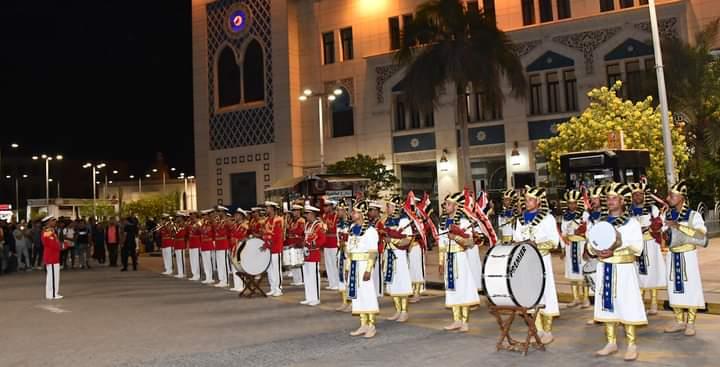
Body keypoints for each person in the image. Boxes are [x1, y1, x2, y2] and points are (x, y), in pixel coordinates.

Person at [590, 182, 646, 361]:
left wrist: (616, 248)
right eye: (608, 198)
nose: (610, 201)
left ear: (623, 201)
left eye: (614, 198)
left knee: (627, 303)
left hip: (624, 270)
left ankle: (631, 345)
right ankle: (611, 342)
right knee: (608, 304)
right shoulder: (601, 222)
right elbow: (591, 245)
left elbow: (638, 247)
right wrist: (596, 250)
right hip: (605, 267)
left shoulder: (632, 223)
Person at [512, 186, 560, 344]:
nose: (527, 202)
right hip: (526, 261)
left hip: (542, 260)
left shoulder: (548, 218)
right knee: (532, 295)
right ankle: (537, 330)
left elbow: (554, 242)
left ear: (539, 201)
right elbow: (516, 238)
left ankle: (548, 331)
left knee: (545, 293)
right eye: (526, 200)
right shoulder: (521, 219)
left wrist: (536, 244)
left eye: (531, 200)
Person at [663, 180, 707, 337]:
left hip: (688, 256)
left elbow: (701, 234)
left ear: (682, 197)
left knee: (691, 287)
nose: (669, 198)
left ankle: (691, 323)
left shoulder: (693, 215)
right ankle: (679, 321)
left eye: (672, 195)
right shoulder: (667, 214)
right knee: (674, 288)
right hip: (672, 254)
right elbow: (664, 236)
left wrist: (679, 226)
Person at [438, 192, 480, 333]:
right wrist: (441, 262)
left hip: (460, 257)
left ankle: (465, 321)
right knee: (452, 289)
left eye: (448, 204)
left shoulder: (464, 222)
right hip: (448, 258)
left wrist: (456, 237)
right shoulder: (443, 222)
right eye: (445, 204)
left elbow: (470, 242)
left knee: (463, 287)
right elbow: (441, 244)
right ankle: (456, 320)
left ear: (456, 206)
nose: (446, 206)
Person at [628, 182, 666, 316]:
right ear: (632, 196)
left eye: (640, 194)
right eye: (635, 194)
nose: (638, 197)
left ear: (644, 195)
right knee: (637, 274)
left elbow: (660, 223)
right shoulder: (628, 210)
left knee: (652, 272)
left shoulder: (652, 208)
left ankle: (654, 303)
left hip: (650, 245)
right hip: (635, 246)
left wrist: (652, 227)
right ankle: (640, 303)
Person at [347, 200, 380, 338]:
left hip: (364, 265)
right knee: (357, 294)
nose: (352, 214)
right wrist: (348, 266)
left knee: (367, 293)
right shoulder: (352, 229)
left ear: (361, 214)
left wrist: (368, 269)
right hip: (354, 265)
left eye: (354, 212)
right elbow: (349, 250)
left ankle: (371, 325)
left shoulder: (370, 231)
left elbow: (373, 252)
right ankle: (363, 324)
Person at [383, 196, 413, 323]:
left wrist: (393, 240)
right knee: (392, 283)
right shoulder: (387, 220)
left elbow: (408, 239)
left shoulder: (404, 220)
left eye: (389, 206)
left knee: (402, 281)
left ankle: (404, 311)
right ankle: (397, 310)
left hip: (399, 255)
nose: (387, 208)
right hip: (389, 252)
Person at [561, 189, 590, 308]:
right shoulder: (565, 216)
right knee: (572, 272)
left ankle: (586, 298)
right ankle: (575, 297)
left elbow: (588, 229)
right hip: (569, 245)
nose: (571, 205)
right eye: (569, 203)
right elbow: (563, 232)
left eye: (574, 203)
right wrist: (562, 248)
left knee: (583, 272)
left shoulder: (585, 214)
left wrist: (587, 248)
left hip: (581, 245)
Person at [301, 205, 325, 306]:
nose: (306, 216)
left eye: (307, 214)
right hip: (306, 254)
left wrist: (311, 244)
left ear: (312, 214)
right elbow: (305, 237)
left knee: (314, 276)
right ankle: (309, 297)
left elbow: (323, 240)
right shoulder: (307, 225)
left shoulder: (319, 225)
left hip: (314, 253)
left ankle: (316, 298)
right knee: (307, 276)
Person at [262, 201, 285, 297]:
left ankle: (278, 288)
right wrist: (266, 240)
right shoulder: (267, 220)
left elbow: (277, 235)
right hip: (269, 248)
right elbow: (265, 233)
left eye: (268, 208)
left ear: (272, 209)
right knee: (270, 270)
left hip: (276, 247)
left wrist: (268, 240)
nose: (266, 209)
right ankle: (272, 287)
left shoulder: (278, 220)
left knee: (276, 269)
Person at [41, 215, 62, 300]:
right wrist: (62, 246)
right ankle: (53, 294)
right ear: (48, 222)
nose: (54, 222)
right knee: (53, 276)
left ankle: (51, 294)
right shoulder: (47, 231)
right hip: (51, 256)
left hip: (52, 255)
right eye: (53, 220)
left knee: (52, 276)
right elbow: (50, 243)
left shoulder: (50, 230)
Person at [335, 201, 351, 312]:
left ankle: (351, 302)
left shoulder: (351, 223)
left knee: (349, 277)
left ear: (345, 210)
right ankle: (344, 301)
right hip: (340, 252)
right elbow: (338, 239)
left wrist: (345, 244)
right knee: (341, 278)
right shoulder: (338, 224)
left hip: (348, 253)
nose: (337, 212)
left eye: (339, 210)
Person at [368, 201, 385, 298]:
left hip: (378, 248)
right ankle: (373, 289)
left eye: (371, 210)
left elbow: (382, 234)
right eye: (369, 210)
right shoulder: (370, 221)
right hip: (371, 249)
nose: (369, 212)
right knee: (372, 270)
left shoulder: (380, 222)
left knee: (377, 271)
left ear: (376, 211)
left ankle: (379, 291)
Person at [321, 200, 340, 290]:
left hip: (334, 243)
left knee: (334, 264)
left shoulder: (337, 216)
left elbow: (334, 229)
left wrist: (326, 229)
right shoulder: (324, 216)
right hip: (326, 243)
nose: (325, 208)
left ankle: (337, 283)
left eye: (327, 206)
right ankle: (331, 283)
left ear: (332, 206)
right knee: (328, 264)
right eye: (324, 206)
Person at [286, 204, 306, 286]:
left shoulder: (301, 220)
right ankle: (296, 279)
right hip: (292, 242)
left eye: (295, 211)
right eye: (293, 211)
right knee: (293, 262)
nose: (293, 213)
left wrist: (291, 231)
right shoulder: (293, 221)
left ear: (299, 211)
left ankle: (300, 279)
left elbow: (300, 232)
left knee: (299, 262)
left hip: (298, 243)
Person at [229, 209, 249, 292]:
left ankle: (242, 285)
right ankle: (237, 285)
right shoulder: (236, 225)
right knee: (234, 266)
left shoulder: (244, 225)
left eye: (236, 215)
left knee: (239, 266)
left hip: (240, 247)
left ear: (241, 216)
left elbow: (242, 236)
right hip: (234, 246)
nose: (235, 217)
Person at [212, 208, 231, 287]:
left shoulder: (227, 221)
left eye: (219, 211)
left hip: (224, 244)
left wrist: (226, 221)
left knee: (224, 263)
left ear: (223, 212)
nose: (218, 213)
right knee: (219, 263)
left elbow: (228, 231)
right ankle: (221, 279)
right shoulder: (218, 222)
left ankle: (226, 280)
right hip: (218, 244)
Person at [199, 210, 216, 284]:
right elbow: (200, 231)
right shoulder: (203, 224)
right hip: (203, 243)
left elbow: (206, 231)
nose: (203, 217)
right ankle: (207, 276)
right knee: (205, 261)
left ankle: (210, 277)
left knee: (209, 261)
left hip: (209, 243)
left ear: (208, 216)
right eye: (203, 216)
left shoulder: (210, 223)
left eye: (205, 215)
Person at [188, 212, 203, 281]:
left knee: (196, 260)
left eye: (193, 216)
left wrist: (198, 226)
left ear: (196, 216)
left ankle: (197, 275)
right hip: (191, 244)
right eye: (190, 216)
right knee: (192, 260)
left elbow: (201, 231)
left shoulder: (199, 223)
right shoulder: (190, 223)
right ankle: (194, 274)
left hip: (197, 243)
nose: (191, 217)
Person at [173, 213, 188, 278]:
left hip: (181, 243)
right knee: (178, 259)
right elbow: (173, 234)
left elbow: (181, 234)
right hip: (176, 243)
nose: (177, 219)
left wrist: (178, 227)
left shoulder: (184, 226)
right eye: (177, 218)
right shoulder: (176, 226)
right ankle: (180, 272)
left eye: (179, 218)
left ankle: (183, 273)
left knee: (181, 259)